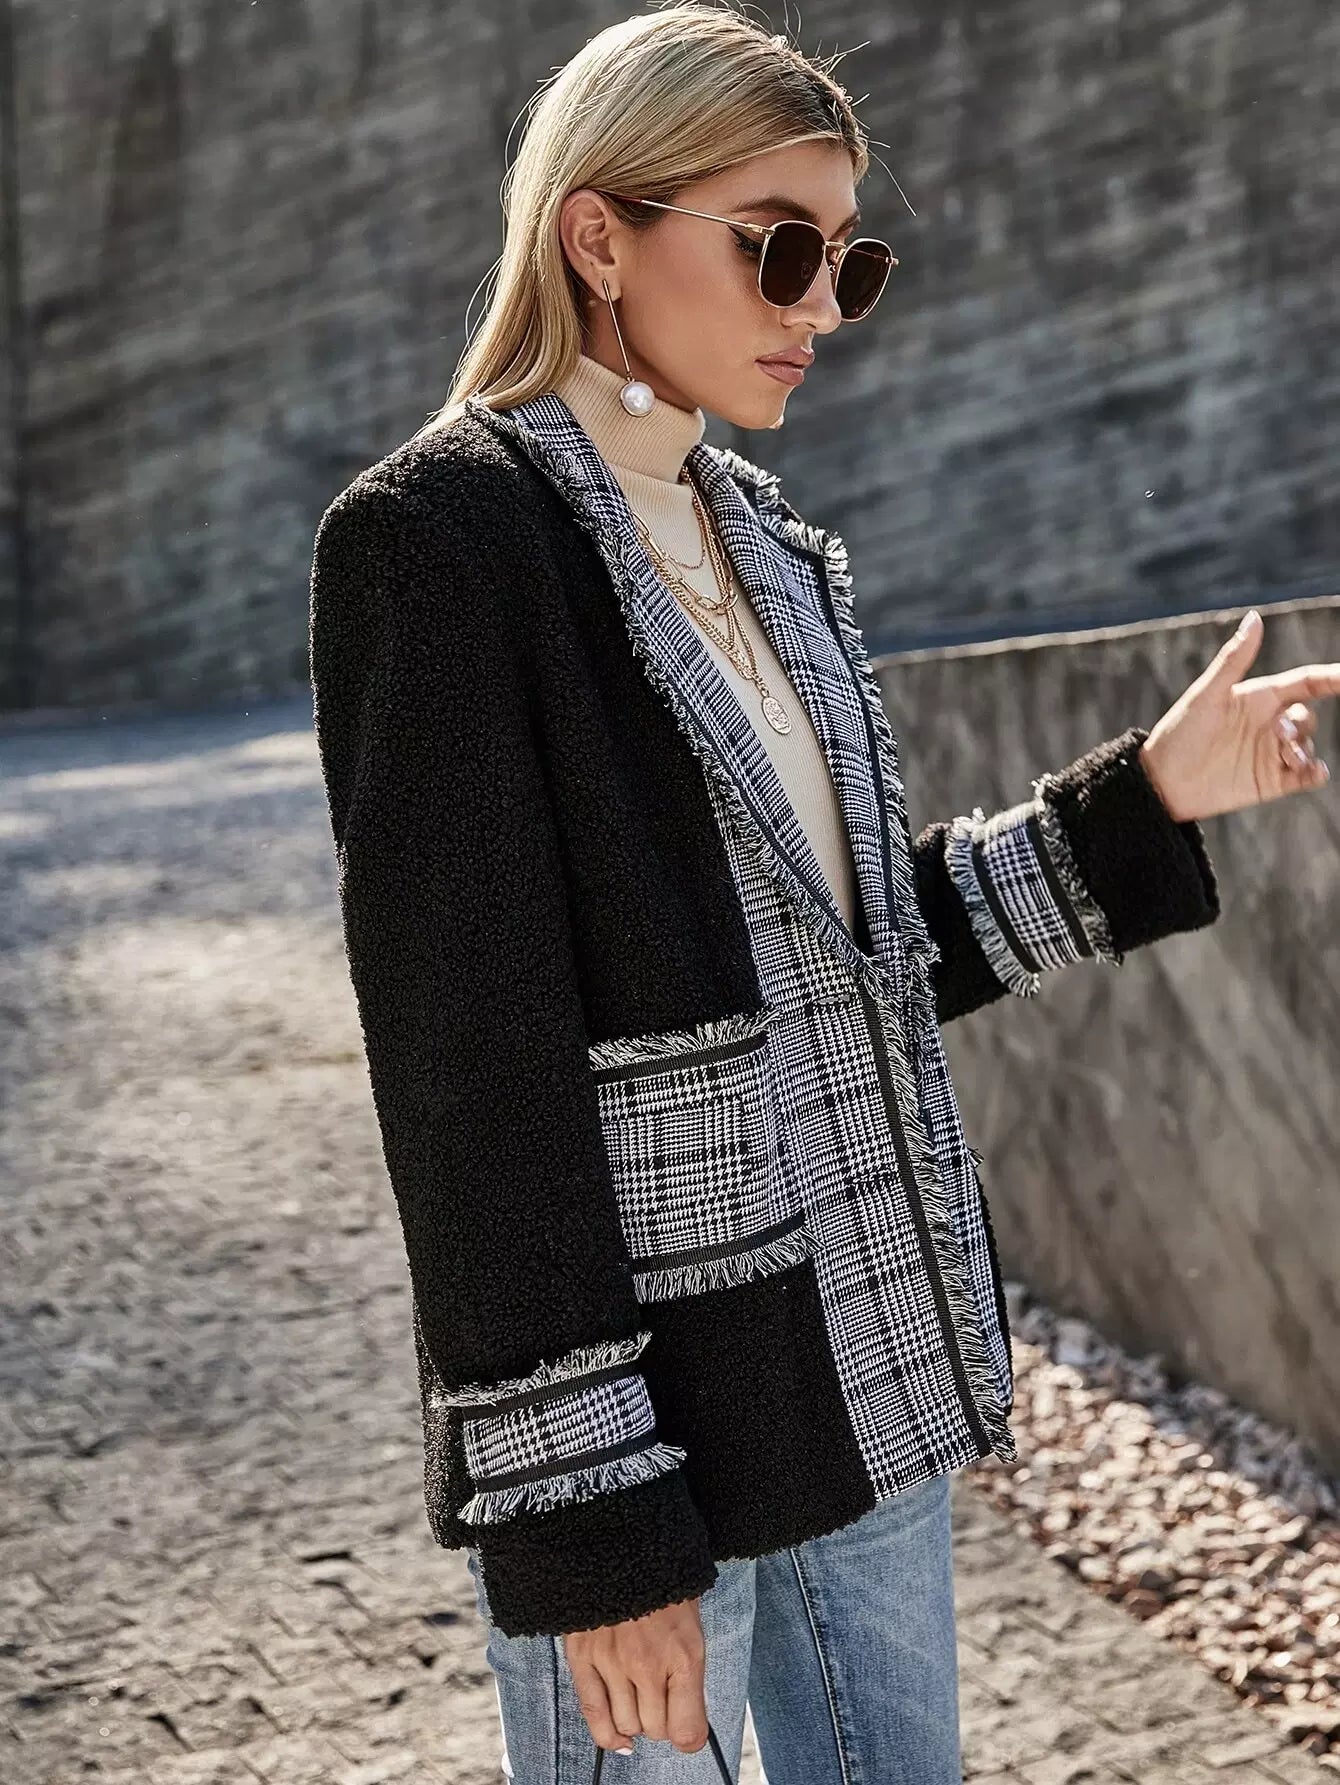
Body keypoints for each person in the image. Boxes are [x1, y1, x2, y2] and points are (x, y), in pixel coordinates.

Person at [306, 7, 1338, 1780]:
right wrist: (588, 1522)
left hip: (863, 1360)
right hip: (637, 1428)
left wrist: (1148, 801)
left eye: (847, 261)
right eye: (780, 247)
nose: (822, 307)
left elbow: (854, 962)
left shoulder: (771, 551)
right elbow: (469, 1082)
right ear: (598, 235)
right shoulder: (441, 544)